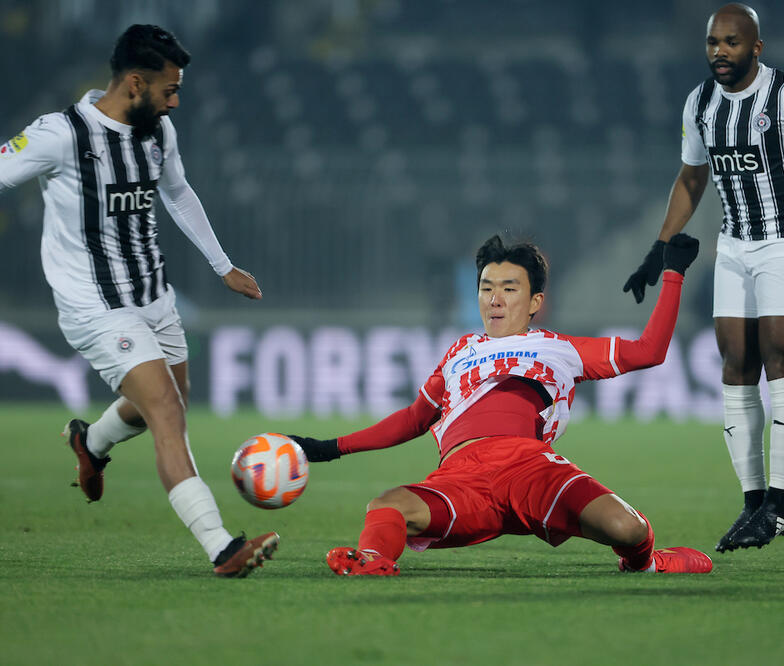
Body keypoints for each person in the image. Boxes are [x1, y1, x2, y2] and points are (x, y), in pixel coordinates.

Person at [0, 25, 277, 577]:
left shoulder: (158, 132)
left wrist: (222, 266)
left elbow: (177, 192)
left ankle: (90, 442)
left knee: (171, 401)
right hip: (95, 306)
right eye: (168, 90)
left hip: (154, 295)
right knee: (167, 411)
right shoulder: (60, 134)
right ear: (134, 83)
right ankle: (222, 548)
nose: (175, 102)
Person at [287, 234, 713, 576]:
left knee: (628, 528)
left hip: (531, 468)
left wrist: (673, 273)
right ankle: (373, 562)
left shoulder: (560, 348)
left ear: (535, 302)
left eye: (509, 289)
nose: (495, 299)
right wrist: (327, 447)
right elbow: (414, 418)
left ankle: (646, 562)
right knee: (386, 505)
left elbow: (649, 351)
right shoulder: (459, 352)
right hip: (462, 478)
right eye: (486, 288)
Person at [623, 3, 784, 553]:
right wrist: (658, 247)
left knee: (780, 355)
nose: (720, 51)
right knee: (736, 363)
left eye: (732, 42)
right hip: (734, 244)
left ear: (756, 48)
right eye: (713, 42)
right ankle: (754, 501)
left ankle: (781, 503)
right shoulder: (700, 103)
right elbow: (692, 178)